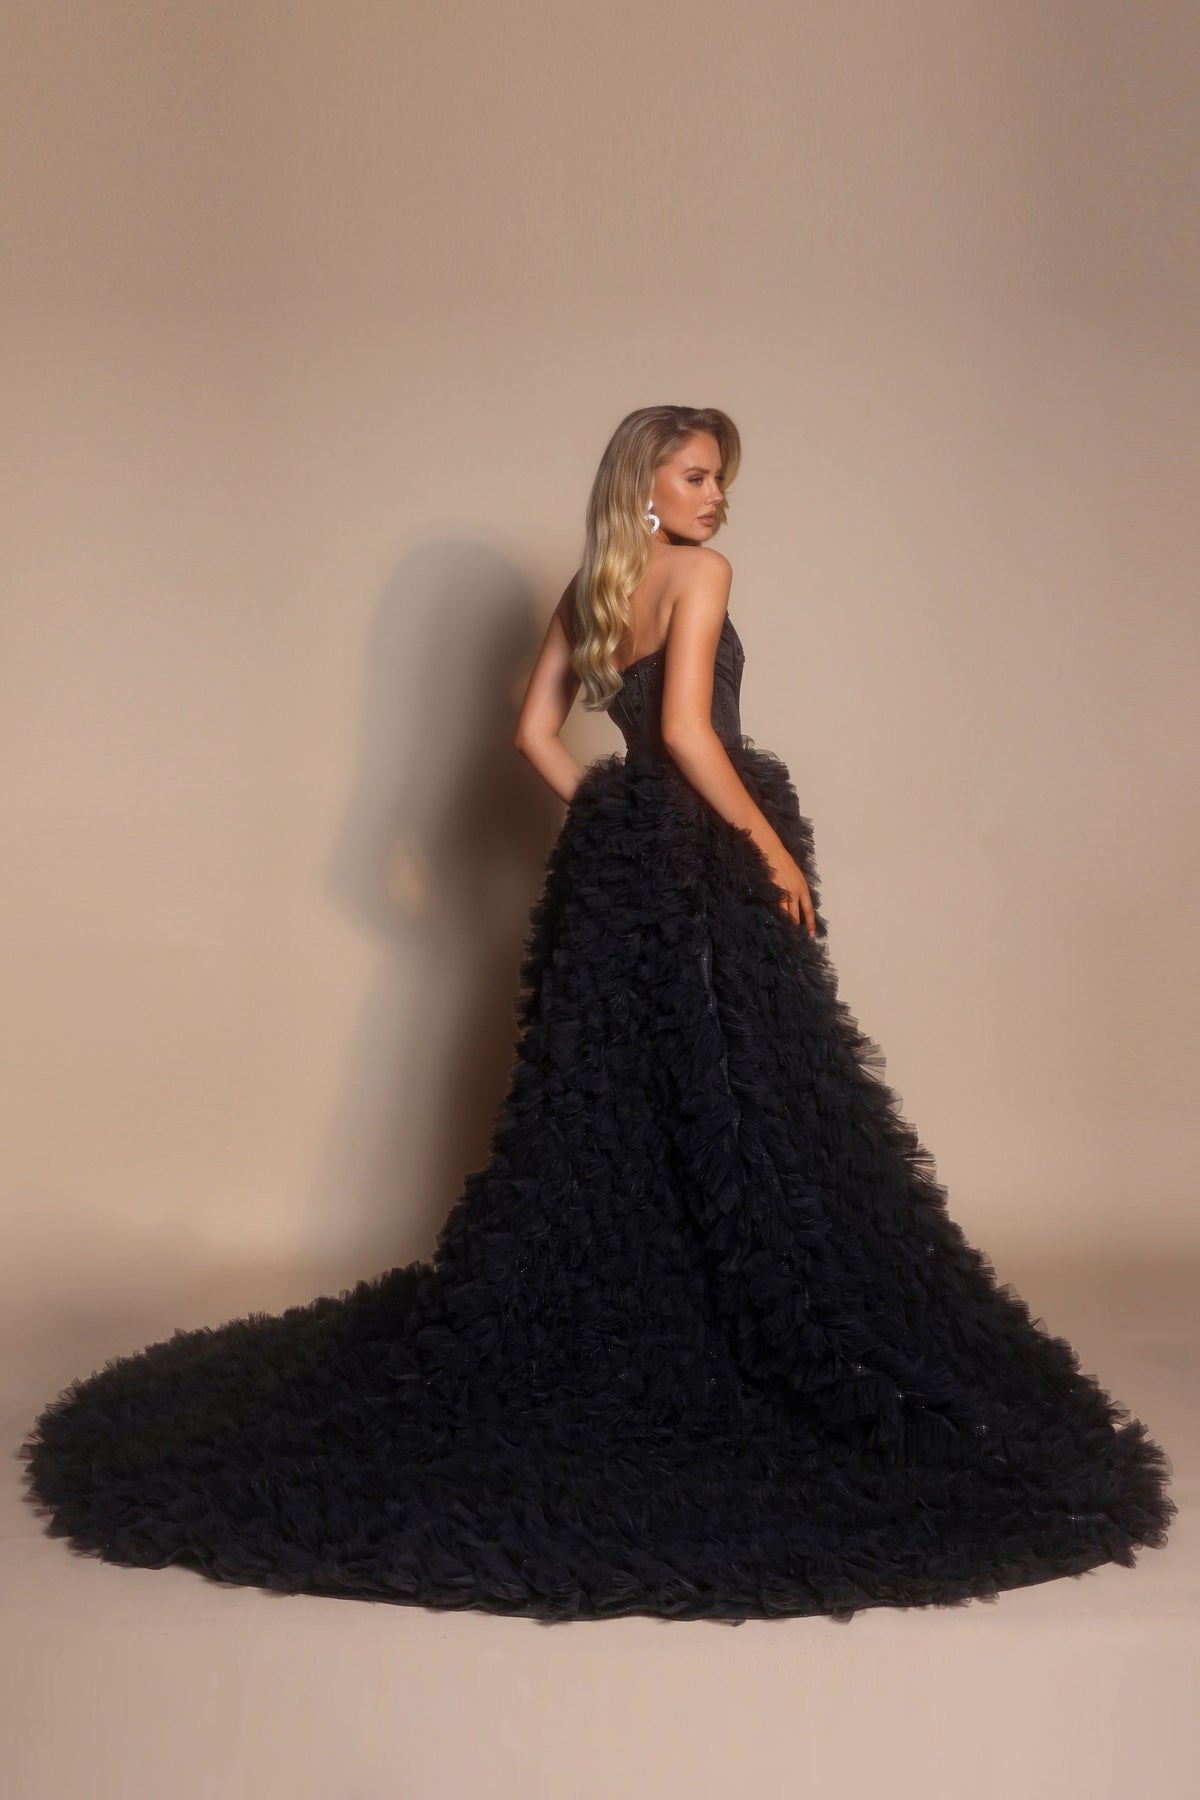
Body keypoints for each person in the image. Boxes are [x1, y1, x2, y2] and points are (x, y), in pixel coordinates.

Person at [21, 404, 1175, 1623]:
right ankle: (756, 1316)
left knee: (627, 1099)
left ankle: (666, 1295)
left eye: (720, 479)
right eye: (698, 475)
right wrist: (768, 846)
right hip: (702, 862)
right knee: (741, 1092)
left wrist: (611, 817)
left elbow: (533, 734)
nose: (717, 496)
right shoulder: (705, 577)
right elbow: (685, 732)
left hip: (622, 873)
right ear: (647, 485)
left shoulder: (593, 588)